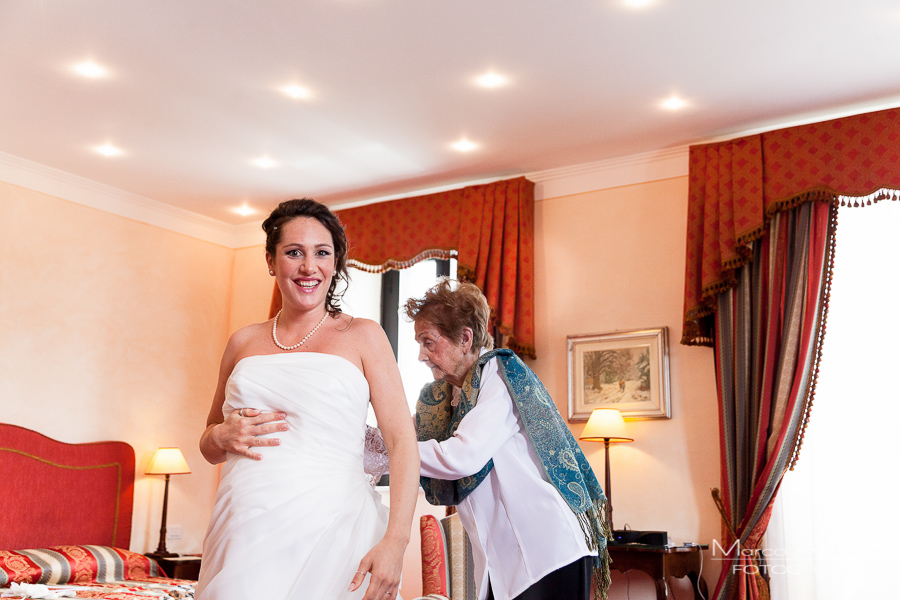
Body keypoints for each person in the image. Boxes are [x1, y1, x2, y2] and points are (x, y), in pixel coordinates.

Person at [196, 199, 419, 600]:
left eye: (322, 253)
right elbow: (209, 443)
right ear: (270, 261)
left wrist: (395, 541)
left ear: (335, 264)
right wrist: (221, 436)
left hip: (335, 527)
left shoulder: (364, 336)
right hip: (244, 527)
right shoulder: (242, 341)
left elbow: (403, 443)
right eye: (293, 252)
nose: (308, 267)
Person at [404, 279, 611, 600]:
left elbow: (462, 456)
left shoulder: (498, 375)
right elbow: (406, 439)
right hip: (500, 561)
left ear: (465, 338)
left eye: (429, 342)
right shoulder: (446, 398)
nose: (421, 355)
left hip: (547, 551)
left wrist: (393, 450)